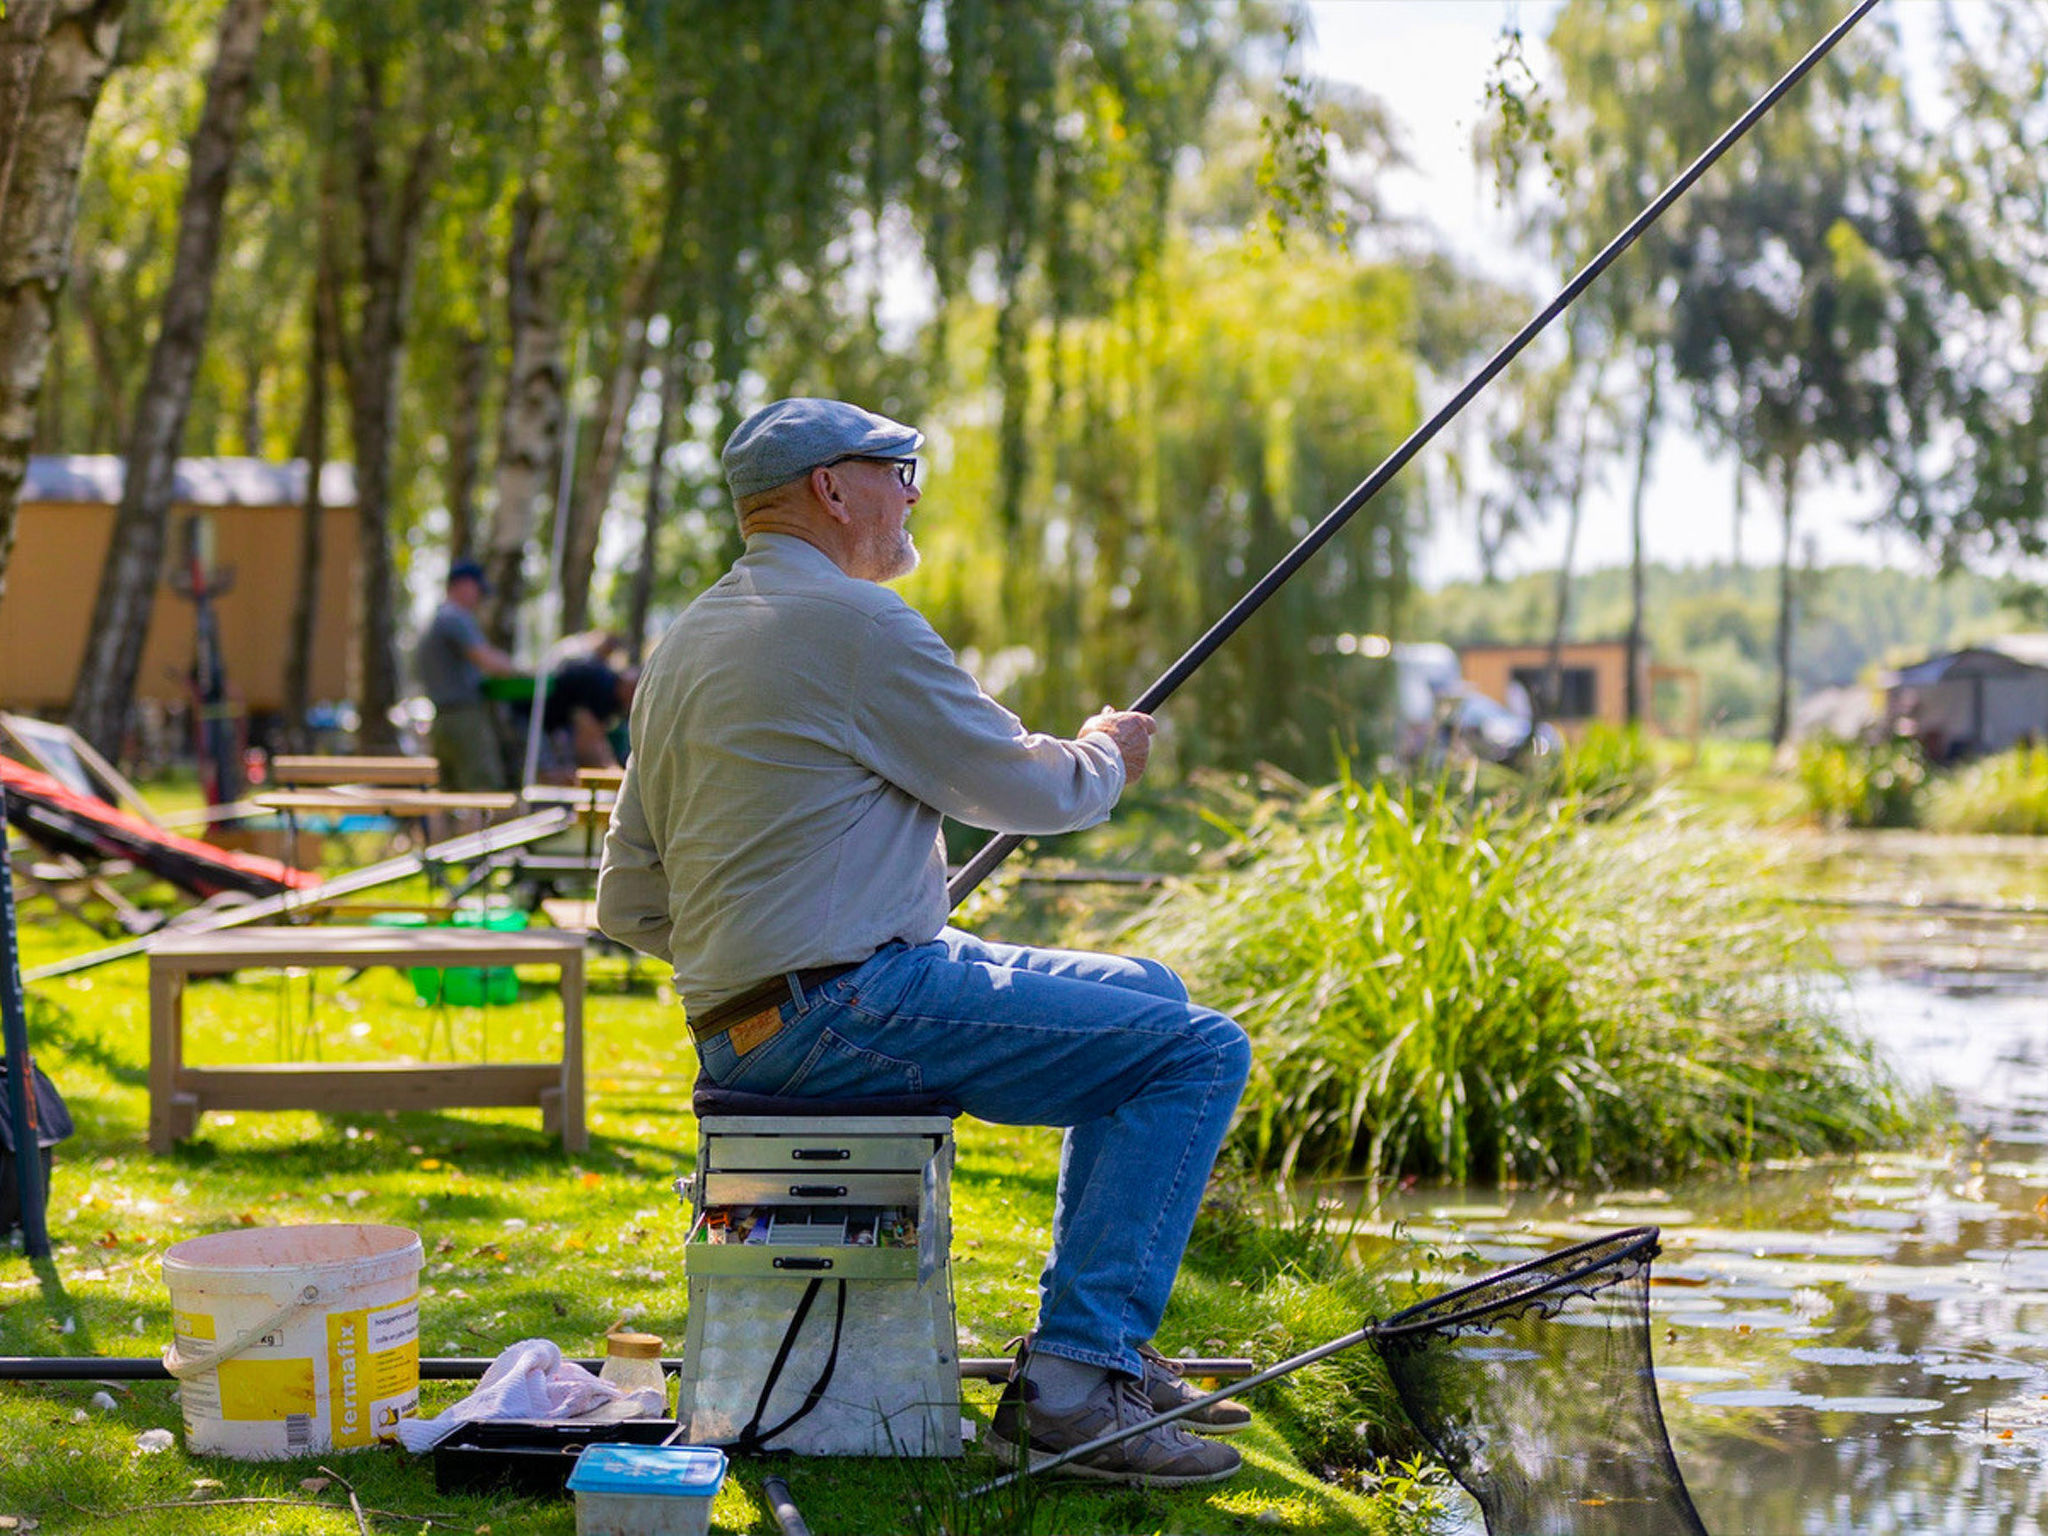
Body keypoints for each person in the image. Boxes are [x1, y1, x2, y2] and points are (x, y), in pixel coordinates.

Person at [596, 398, 1252, 1486]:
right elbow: (1024, 787)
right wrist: (1105, 755)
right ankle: (1072, 1387)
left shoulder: (687, 642)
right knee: (1199, 1051)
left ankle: (1105, 1350)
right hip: (839, 1008)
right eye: (899, 472)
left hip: (770, 1013)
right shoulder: (855, 623)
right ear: (830, 487)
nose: (911, 496)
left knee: (1152, 989)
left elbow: (627, 898)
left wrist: (758, 950)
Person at [416, 558, 518, 790]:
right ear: (463, 585)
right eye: (477, 589)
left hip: (440, 717)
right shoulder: (455, 617)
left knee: (448, 792)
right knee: (482, 789)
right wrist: (518, 667)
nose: (479, 598)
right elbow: (486, 660)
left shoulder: (434, 618)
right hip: (464, 718)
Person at [537, 656, 636, 782]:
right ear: (628, 686)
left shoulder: (609, 687)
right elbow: (587, 736)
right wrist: (611, 768)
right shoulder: (603, 688)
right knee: (549, 771)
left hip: (555, 722)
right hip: (534, 715)